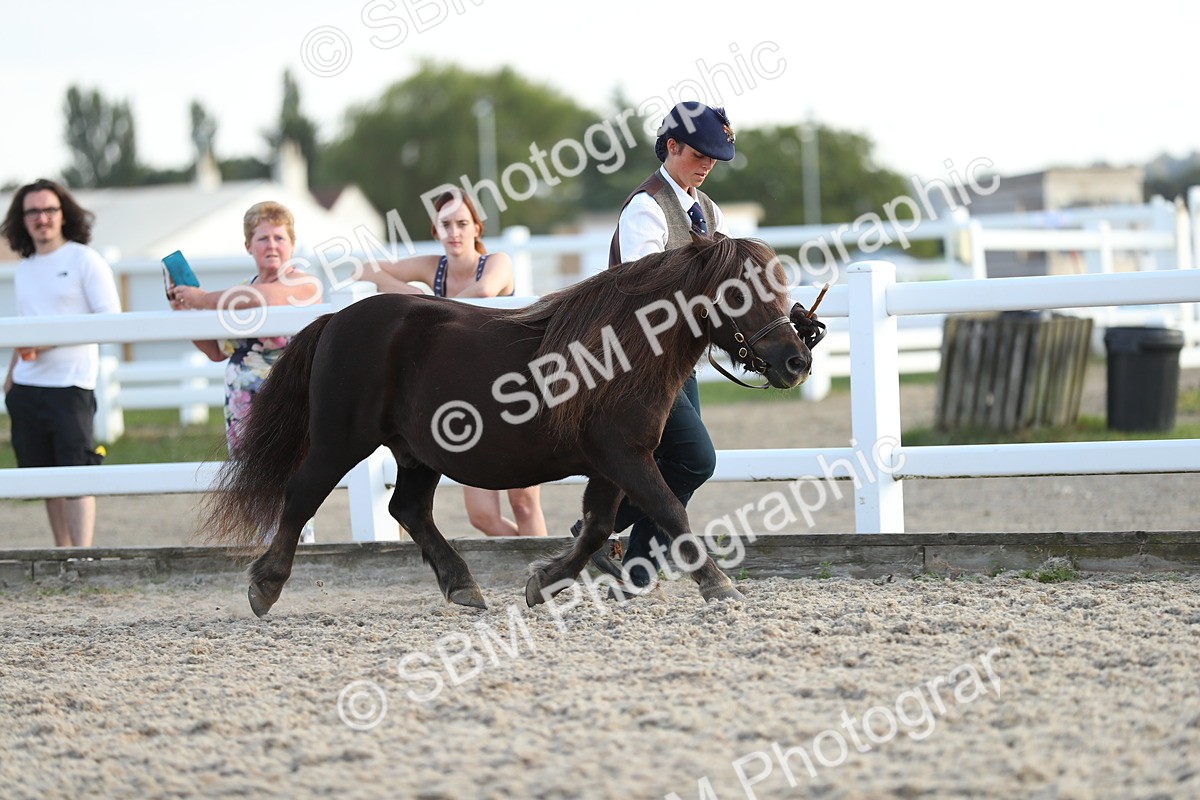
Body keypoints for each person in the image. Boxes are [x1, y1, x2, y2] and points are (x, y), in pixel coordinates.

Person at [585, 101, 738, 587]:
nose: (708, 165)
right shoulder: (646, 209)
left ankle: (634, 568)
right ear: (671, 146)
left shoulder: (707, 210)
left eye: (715, 158)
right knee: (696, 459)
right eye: (700, 154)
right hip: (637, 363)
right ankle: (599, 533)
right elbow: (645, 290)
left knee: (678, 462)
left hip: (676, 363)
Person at [362, 190, 547, 537]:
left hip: (513, 388)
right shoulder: (433, 266)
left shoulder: (496, 262)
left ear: (476, 227)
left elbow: (484, 293)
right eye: (445, 224)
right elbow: (366, 272)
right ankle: (530, 562)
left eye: (462, 223)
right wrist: (407, 293)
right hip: (469, 395)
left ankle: (550, 574)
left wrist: (420, 305)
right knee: (481, 516)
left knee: (523, 501)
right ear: (435, 230)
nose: (454, 232)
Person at [167, 201, 322, 541]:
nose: (272, 246)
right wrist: (186, 310)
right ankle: (270, 552)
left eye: (279, 238)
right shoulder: (239, 291)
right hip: (242, 399)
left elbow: (263, 298)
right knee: (251, 481)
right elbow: (214, 350)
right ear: (248, 246)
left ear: (292, 245)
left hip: (287, 395)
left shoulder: (302, 283)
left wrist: (204, 297)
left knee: (291, 475)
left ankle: (299, 547)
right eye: (262, 238)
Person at [2, 178, 122, 548]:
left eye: (49, 210)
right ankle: (62, 552)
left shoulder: (84, 259)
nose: (42, 218)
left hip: (72, 386)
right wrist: (9, 378)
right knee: (44, 479)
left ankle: (81, 558)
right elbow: (26, 326)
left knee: (77, 474)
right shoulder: (25, 268)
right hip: (26, 388)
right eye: (33, 211)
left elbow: (111, 319)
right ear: (22, 220)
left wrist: (47, 341)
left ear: (63, 214)